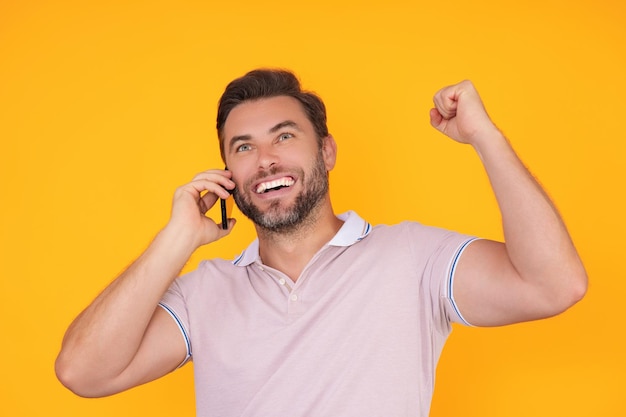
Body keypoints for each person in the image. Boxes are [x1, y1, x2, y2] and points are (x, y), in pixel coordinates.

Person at [55, 69, 587, 416]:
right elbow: (82, 372)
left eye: (285, 136)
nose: (265, 160)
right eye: (244, 147)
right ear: (227, 174)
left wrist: (485, 138)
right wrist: (176, 240)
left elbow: (554, 285)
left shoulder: (414, 260)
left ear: (327, 152)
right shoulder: (205, 294)